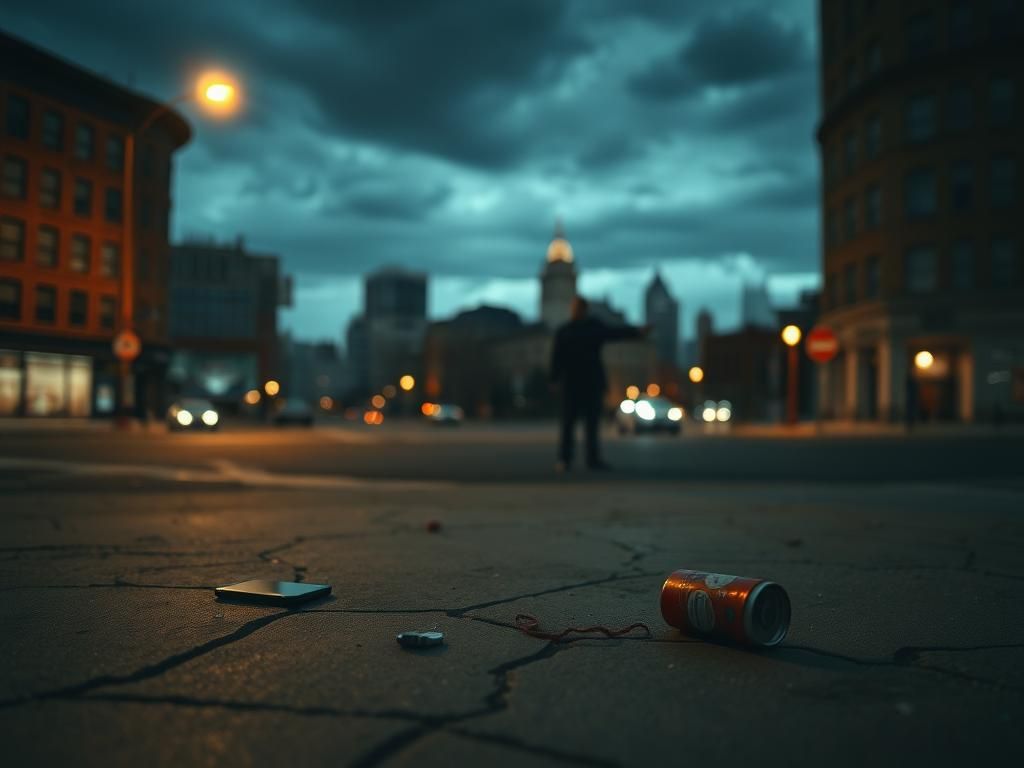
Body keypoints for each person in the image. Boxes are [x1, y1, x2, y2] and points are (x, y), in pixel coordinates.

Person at [549, 296, 648, 471]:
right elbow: (556, 358)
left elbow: (615, 333)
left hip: (590, 384)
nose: (577, 311)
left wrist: (636, 332)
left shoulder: (591, 328)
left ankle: (590, 459)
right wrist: (554, 379)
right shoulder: (565, 331)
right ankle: (565, 459)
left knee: (591, 425)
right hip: (573, 384)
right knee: (568, 425)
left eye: (580, 308)